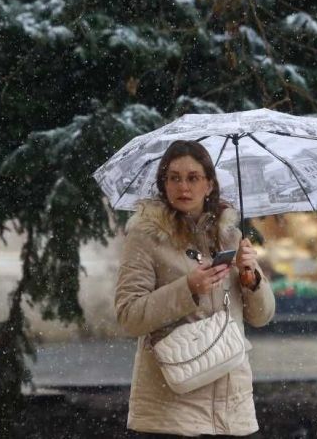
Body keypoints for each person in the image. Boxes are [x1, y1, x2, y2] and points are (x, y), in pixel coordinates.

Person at [115, 140, 276, 438]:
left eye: (193, 178)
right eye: (173, 177)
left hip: (233, 407)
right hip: (171, 410)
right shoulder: (145, 237)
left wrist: (252, 279)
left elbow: (261, 317)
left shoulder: (231, 238)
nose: (183, 186)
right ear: (163, 184)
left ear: (210, 184)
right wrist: (188, 288)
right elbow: (129, 316)